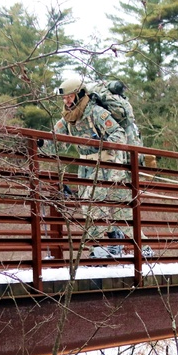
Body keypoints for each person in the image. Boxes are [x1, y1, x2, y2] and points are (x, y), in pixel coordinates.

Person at [49, 75, 131, 258]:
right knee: (88, 208)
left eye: (70, 96)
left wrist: (104, 144)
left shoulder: (95, 113)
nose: (67, 101)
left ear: (79, 95)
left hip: (105, 165)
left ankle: (101, 245)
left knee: (94, 205)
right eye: (64, 98)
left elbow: (119, 134)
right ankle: (108, 241)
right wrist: (37, 144)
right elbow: (54, 141)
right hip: (85, 166)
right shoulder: (68, 118)